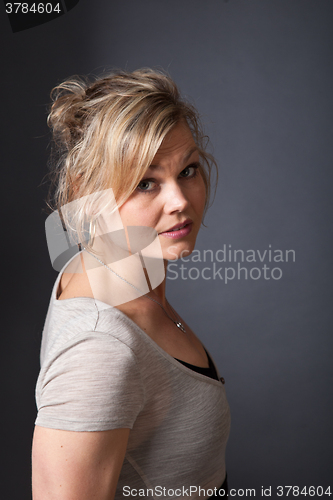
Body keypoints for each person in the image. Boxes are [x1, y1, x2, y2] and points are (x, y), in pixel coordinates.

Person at [32, 68, 231, 500]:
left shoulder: (116, 272)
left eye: (188, 170)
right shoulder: (99, 348)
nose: (179, 201)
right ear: (90, 195)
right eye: (146, 182)